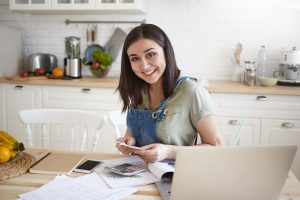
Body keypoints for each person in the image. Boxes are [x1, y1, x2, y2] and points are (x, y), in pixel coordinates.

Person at [116, 24, 223, 162]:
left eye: (150, 54)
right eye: (135, 58)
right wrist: (128, 142)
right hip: (139, 174)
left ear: (166, 51)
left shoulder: (191, 91)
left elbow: (216, 147)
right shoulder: (138, 89)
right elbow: (132, 134)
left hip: (176, 176)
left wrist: (168, 152)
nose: (144, 65)